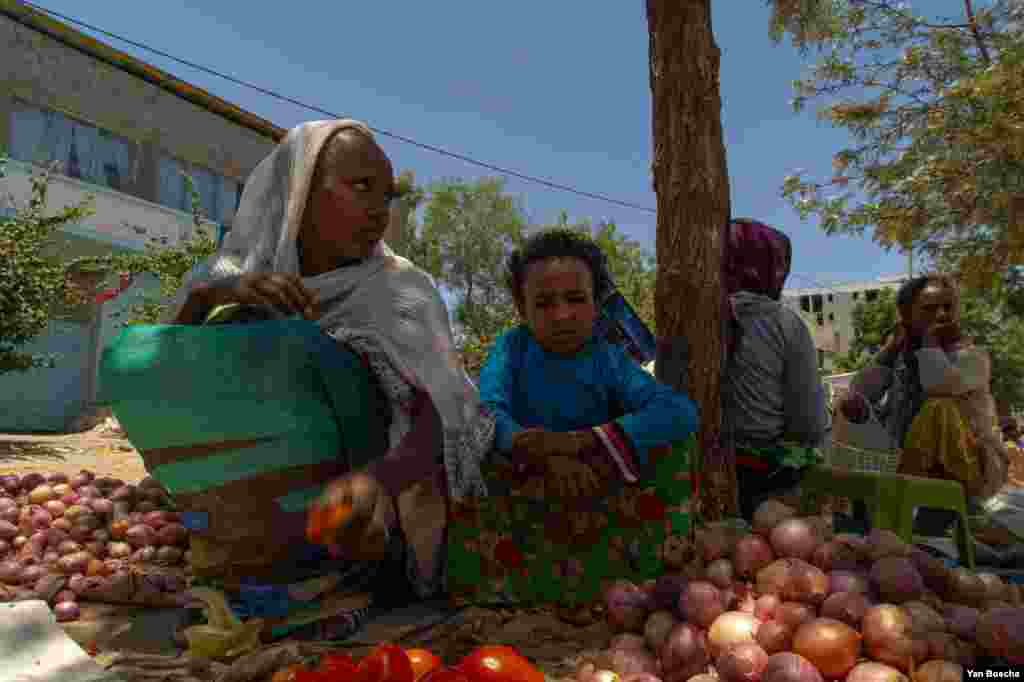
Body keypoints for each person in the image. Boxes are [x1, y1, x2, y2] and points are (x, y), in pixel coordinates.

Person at [165, 120, 495, 640]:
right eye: (360, 186)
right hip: (252, 514)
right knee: (229, 331)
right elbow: (165, 373)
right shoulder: (237, 276)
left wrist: (376, 482)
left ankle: (338, 576)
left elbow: (437, 416)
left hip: (364, 515)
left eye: (387, 195)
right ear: (298, 190)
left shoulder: (400, 290)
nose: (379, 210)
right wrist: (212, 297)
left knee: (308, 350)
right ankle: (248, 553)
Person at [477, 228, 699, 496]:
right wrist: (537, 452)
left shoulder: (607, 358)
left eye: (576, 299)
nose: (561, 315)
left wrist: (575, 443)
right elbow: (487, 412)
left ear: (596, 304)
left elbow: (678, 411)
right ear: (523, 309)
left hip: (596, 486)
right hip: (525, 486)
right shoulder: (512, 348)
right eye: (544, 303)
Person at [840, 275, 1008, 533]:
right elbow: (860, 392)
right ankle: (864, 513)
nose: (941, 315)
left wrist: (929, 340)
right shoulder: (903, 357)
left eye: (948, 307)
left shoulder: (972, 357)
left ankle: (927, 512)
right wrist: (890, 349)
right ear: (907, 316)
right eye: (929, 309)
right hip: (905, 465)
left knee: (938, 408)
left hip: (970, 470)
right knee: (848, 406)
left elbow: (936, 385)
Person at [719, 219, 830, 521]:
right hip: (764, 480)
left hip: (694, 471)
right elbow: (809, 425)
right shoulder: (785, 324)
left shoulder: (692, 316)